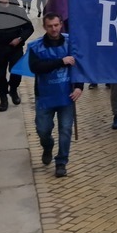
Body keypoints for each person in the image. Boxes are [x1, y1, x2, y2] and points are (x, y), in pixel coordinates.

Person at [27, 13, 83, 177]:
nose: (54, 29)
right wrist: (60, 62)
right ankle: (47, 145)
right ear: (44, 27)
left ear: (61, 25)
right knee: (43, 130)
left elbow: (79, 66)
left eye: (56, 25)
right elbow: (35, 67)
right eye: (50, 26)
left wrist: (79, 87)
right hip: (44, 96)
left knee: (65, 130)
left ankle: (61, 162)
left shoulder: (71, 42)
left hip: (67, 96)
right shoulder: (35, 47)